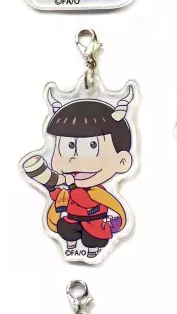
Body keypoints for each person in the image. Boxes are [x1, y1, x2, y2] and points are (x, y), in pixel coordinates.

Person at [21, 86, 133, 258]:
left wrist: (72, 185)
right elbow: (60, 199)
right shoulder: (67, 186)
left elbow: (85, 201)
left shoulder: (97, 192)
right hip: (72, 219)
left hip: (94, 221)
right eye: (68, 146)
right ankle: (72, 244)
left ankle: (92, 249)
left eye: (92, 146)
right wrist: (50, 186)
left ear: (122, 161)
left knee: (94, 236)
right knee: (65, 227)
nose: (74, 159)